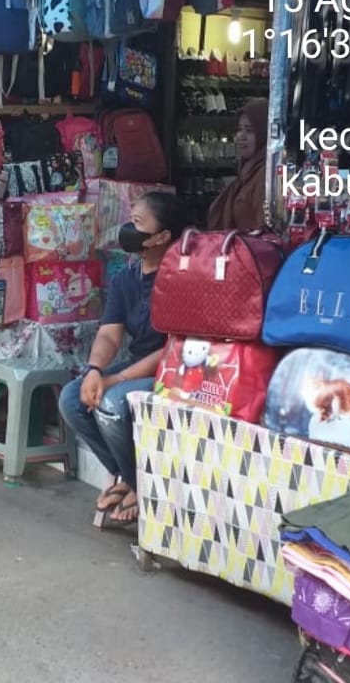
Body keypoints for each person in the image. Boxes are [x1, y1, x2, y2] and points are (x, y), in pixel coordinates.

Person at [59, 192, 188, 527]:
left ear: (162, 237)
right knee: (72, 398)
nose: (129, 229)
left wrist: (115, 380)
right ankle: (131, 477)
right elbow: (109, 334)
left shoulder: (181, 278)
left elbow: (172, 349)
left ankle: (136, 485)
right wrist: (94, 370)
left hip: (171, 370)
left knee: (113, 403)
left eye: (138, 223)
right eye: (131, 220)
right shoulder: (127, 277)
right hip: (137, 364)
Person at [207, 98, 268, 231]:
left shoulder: (264, 176)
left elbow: (265, 231)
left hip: (251, 249)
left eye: (249, 131)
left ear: (264, 134)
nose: (241, 136)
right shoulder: (247, 172)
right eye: (239, 129)